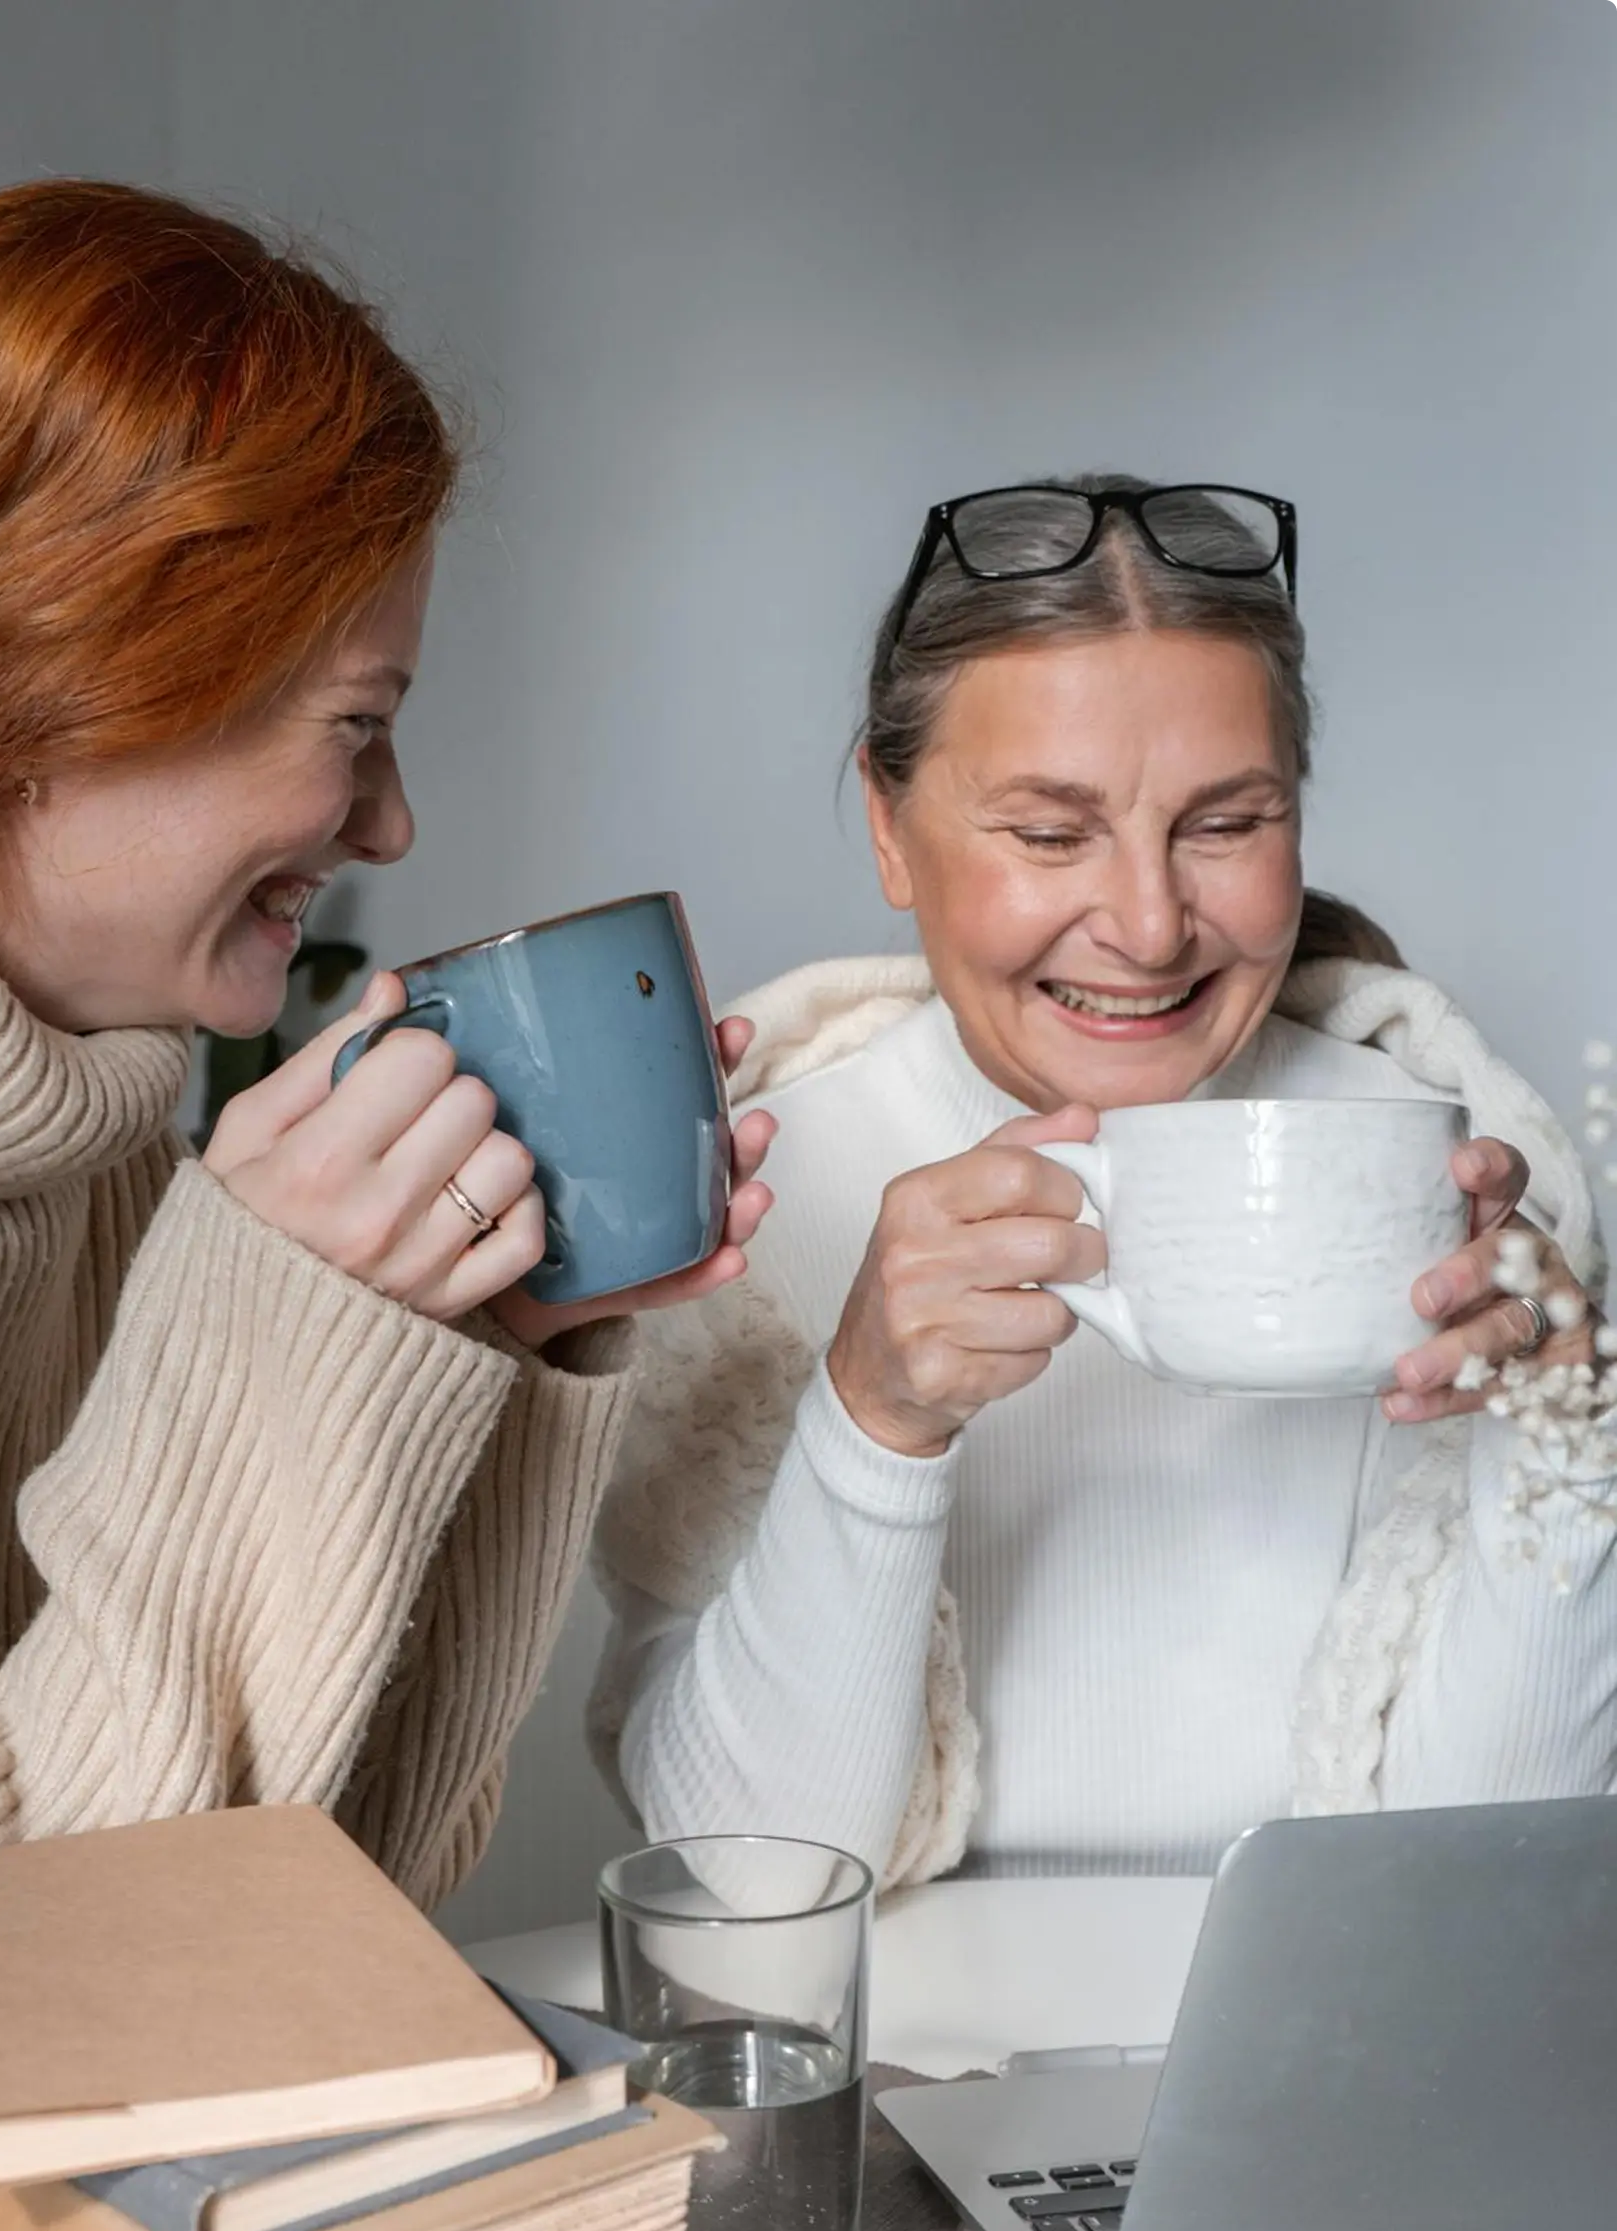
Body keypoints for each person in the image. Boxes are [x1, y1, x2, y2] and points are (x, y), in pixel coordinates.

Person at [0, 181, 774, 2231]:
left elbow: (319, 1919)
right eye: (357, 725)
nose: (394, 826)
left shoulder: (100, 1145)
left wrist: (465, 1360)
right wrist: (268, 1328)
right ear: (66, 675)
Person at [591, 476, 1609, 1899]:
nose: (1146, 924)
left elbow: (1493, 1880)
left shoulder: (1449, 1179)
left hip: (1325, 2061)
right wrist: (872, 1418)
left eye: (1224, 823)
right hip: (906, 2083)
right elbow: (749, 1883)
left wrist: (1559, 1452)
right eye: (1052, 833)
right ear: (890, 828)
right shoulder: (762, 1203)